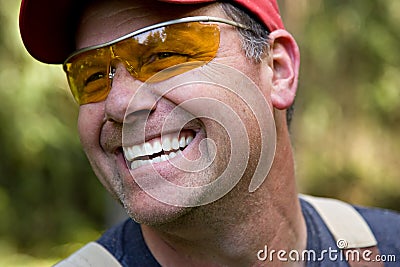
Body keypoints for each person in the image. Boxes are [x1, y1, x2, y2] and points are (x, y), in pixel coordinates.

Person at [19, 0, 399, 266]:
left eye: (164, 54)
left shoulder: (386, 245)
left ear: (278, 70)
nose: (118, 104)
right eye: (92, 76)